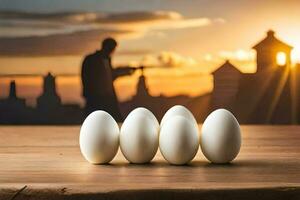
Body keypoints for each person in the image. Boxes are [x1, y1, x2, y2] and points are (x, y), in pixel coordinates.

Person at [81, 38, 135, 121]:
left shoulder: (106, 60)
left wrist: (126, 71)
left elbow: (110, 76)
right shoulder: (91, 60)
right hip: (96, 97)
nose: (112, 51)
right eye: (112, 49)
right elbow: (89, 77)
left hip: (107, 97)